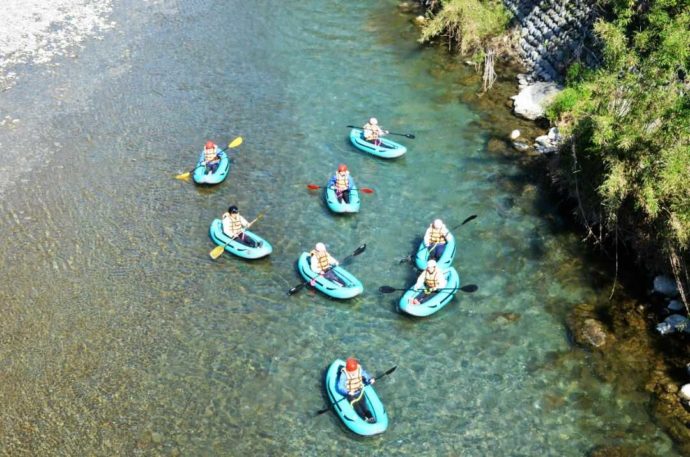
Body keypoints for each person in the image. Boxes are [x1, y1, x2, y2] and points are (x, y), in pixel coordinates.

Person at [336, 357, 375, 423]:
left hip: (360, 392)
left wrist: (370, 379)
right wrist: (348, 392)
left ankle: (370, 417)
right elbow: (340, 386)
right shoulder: (344, 374)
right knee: (357, 408)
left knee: (364, 406)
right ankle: (363, 419)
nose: (353, 373)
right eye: (351, 372)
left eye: (354, 371)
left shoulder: (359, 369)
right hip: (351, 395)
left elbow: (365, 375)